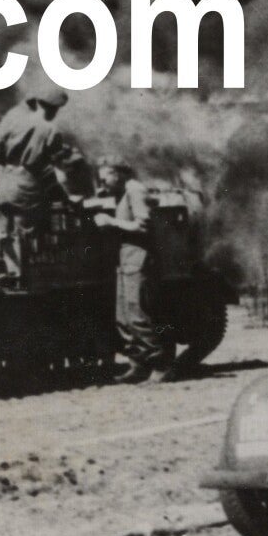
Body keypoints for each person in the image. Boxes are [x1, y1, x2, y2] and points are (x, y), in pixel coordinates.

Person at [0, 86, 86, 277]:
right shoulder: (50, 130)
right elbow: (57, 168)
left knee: (6, 225)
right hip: (29, 186)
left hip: (5, 183)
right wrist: (68, 196)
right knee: (31, 233)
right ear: (54, 109)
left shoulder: (13, 119)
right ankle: (23, 274)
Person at [94, 161, 173, 382]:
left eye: (105, 178)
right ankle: (139, 364)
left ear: (118, 174)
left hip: (139, 258)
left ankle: (161, 365)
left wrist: (111, 221)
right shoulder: (123, 192)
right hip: (126, 259)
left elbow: (142, 225)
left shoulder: (135, 190)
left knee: (139, 315)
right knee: (124, 318)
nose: (102, 183)